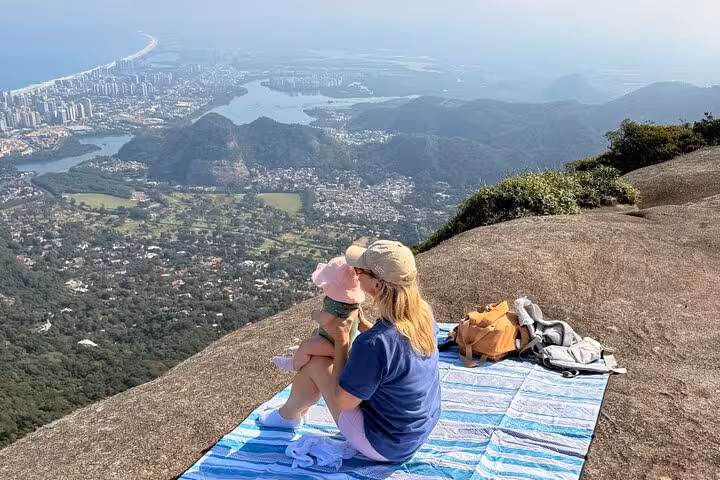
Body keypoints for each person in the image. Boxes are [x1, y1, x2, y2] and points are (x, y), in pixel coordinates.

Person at [258, 240, 441, 463]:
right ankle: (289, 414)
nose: (355, 274)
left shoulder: (373, 344)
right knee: (329, 361)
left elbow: (342, 402)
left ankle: (289, 416)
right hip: (414, 431)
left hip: (386, 445)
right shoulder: (423, 314)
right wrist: (363, 324)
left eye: (359, 271)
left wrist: (341, 341)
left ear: (378, 285)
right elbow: (394, 352)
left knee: (315, 362)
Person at [271, 256, 367, 372]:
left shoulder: (337, 304)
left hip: (335, 346)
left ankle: (294, 364)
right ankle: (305, 352)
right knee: (314, 333)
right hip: (337, 341)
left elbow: (325, 319)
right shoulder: (351, 303)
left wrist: (315, 314)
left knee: (307, 345)